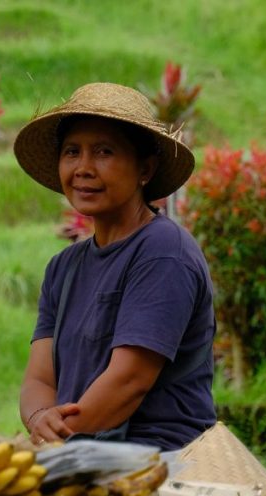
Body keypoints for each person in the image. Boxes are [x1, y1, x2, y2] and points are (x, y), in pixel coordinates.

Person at [13, 82, 216, 450]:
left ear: (145, 170)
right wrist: (40, 419)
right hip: (80, 449)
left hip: (158, 459)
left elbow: (128, 382)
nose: (84, 168)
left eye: (104, 152)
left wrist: (53, 440)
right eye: (72, 152)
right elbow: (39, 381)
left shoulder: (163, 251)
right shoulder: (64, 267)